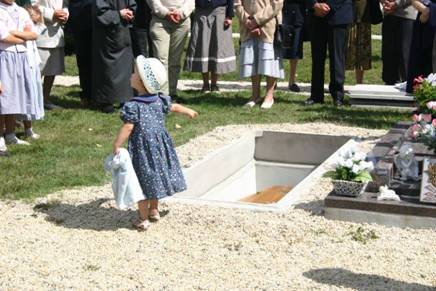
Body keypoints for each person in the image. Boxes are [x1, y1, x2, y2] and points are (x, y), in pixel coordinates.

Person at [112, 56, 198, 230]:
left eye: (135, 73)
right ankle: (154, 210)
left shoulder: (133, 106)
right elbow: (174, 107)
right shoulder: (159, 100)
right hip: (159, 148)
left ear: (142, 81)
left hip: (142, 149)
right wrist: (188, 111)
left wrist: (117, 145)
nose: (132, 74)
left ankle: (143, 218)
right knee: (154, 177)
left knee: (141, 181)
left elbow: (128, 127)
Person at [0, 0, 40, 156]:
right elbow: (3, 36)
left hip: (19, 57)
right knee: (3, 98)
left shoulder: (21, 11)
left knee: (13, 97)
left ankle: (10, 134)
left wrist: (15, 33)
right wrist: (22, 36)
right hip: (4, 55)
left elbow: (33, 34)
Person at [235, 0, 285, 109]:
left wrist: (257, 20)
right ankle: (255, 95)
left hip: (268, 25)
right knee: (252, 59)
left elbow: (277, 3)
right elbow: (237, 4)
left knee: (269, 60)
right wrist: (247, 20)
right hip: (247, 27)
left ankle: (269, 95)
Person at [304, 0, 353, 106]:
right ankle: (316, 95)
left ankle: (338, 95)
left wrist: (327, 6)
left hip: (339, 14)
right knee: (317, 58)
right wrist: (314, 5)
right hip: (316, 16)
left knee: (337, 58)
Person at [92, 0, 136, 113]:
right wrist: (119, 14)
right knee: (107, 68)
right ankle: (106, 101)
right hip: (106, 36)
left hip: (123, 32)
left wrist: (130, 12)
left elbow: (132, 4)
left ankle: (125, 98)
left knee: (125, 68)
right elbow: (99, 12)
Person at [184, 0, 236, 92]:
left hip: (219, 12)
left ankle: (214, 84)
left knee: (217, 48)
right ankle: (205, 84)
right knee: (202, 48)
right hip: (201, 12)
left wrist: (229, 15)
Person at [147, 0, 195, 97]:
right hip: (160, 21)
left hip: (181, 22)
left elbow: (191, 1)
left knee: (175, 61)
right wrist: (166, 13)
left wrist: (180, 13)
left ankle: (172, 93)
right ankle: (162, 94)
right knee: (161, 60)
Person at [36, 0, 69, 110]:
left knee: (52, 70)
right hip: (41, 33)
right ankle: (33, 101)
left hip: (57, 33)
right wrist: (52, 14)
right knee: (37, 72)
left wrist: (65, 13)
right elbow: (31, 6)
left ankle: (45, 99)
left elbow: (65, 4)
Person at [381, 0, 417, 85]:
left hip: (406, 15)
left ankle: (408, 84)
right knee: (388, 53)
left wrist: (396, 4)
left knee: (405, 54)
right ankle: (389, 83)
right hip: (389, 14)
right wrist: (384, 2)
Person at [68, 0, 93, 107]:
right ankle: (86, 95)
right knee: (84, 62)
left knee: (98, 63)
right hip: (81, 23)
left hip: (99, 24)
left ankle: (99, 95)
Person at [281, 0, 307, 92]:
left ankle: (292, 81)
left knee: (295, 49)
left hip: (298, 12)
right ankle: (273, 79)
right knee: (277, 48)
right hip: (281, 10)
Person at [345, 0, 373, 84]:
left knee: (363, 50)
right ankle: (339, 82)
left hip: (364, 14)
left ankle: (359, 82)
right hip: (348, 13)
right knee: (346, 48)